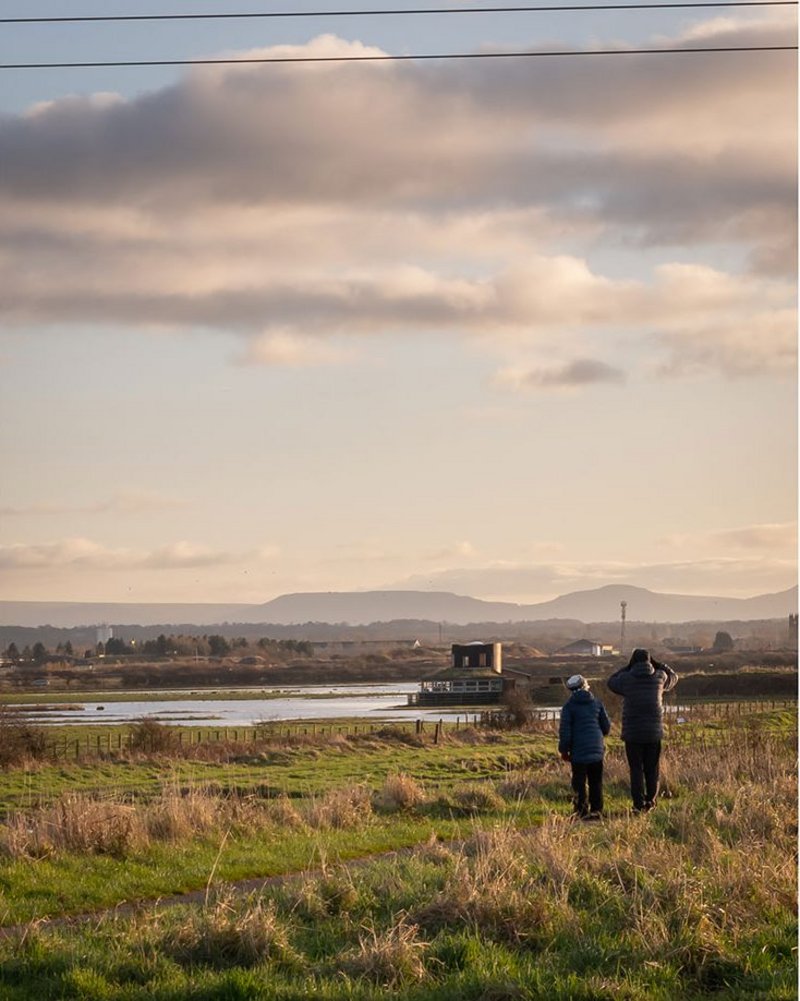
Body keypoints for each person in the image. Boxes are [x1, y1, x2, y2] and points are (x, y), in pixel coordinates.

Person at [606, 648, 678, 813]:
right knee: (652, 769)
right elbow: (674, 676)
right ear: (649, 661)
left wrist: (627, 667)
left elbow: (611, 681)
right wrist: (658, 663)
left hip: (633, 733)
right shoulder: (659, 678)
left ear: (633, 661)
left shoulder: (626, 679)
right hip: (654, 732)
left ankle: (638, 804)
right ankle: (651, 801)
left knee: (636, 769)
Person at [558, 674, 611, 820]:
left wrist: (563, 750)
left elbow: (565, 732)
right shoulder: (597, 703)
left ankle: (581, 811)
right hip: (596, 748)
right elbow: (606, 728)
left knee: (579, 782)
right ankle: (597, 810)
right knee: (596, 781)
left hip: (578, 751)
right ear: (586, 685)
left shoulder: (568, 707)